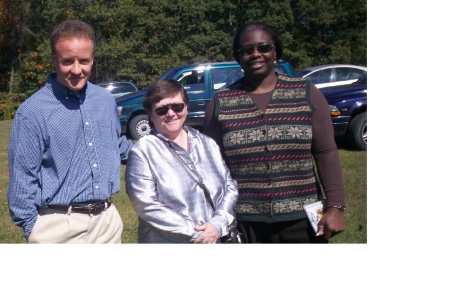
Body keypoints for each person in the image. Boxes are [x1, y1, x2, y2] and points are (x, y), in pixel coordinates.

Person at [203, 21, 346, 243]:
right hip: (244, 223)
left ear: (275, 51)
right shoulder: (221, 103)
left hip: (302, 220)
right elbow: (212, 166)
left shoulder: (306, 93)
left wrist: (336, 206)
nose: (256, 54)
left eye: (264, 47)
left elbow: (326, 151)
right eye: (247, 50)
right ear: (239, 56)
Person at [7, 19, 134, 243]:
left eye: (84, 61)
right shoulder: (32, 111)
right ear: (54, 59)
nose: (77, 69)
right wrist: (33, 227)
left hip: (107, 223)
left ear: (92, 59)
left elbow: (116, 145)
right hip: (57, 226)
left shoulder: (104, 100)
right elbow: (22, 178)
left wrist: (160, 149)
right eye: (68, 61)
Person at [125, 79, 239, 243]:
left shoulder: (207, 143)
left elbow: (229, 186)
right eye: (162, 110)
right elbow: (146, 206)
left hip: (216, 238)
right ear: (150, 113)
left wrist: (218, 224)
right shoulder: (142, 152)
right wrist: (198, 235)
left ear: (186, 107)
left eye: (177, 106)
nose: (171, 114)